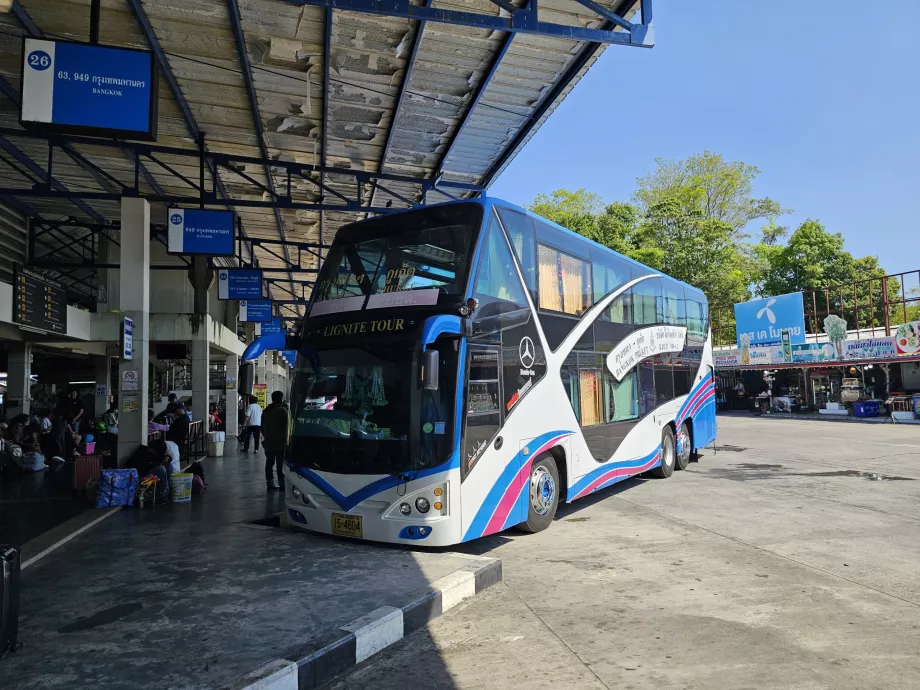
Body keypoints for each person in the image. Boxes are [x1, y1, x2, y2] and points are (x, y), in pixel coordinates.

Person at [261, 391, 291, 491]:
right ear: (281, 398)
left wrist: (267, 436)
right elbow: (289, 426)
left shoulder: (266, 411)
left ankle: (270, 484)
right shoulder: (284, 411)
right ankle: (282, 485)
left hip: (269, 442)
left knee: (269, 463)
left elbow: (262, 427)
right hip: (281, 443)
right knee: (280, 465)